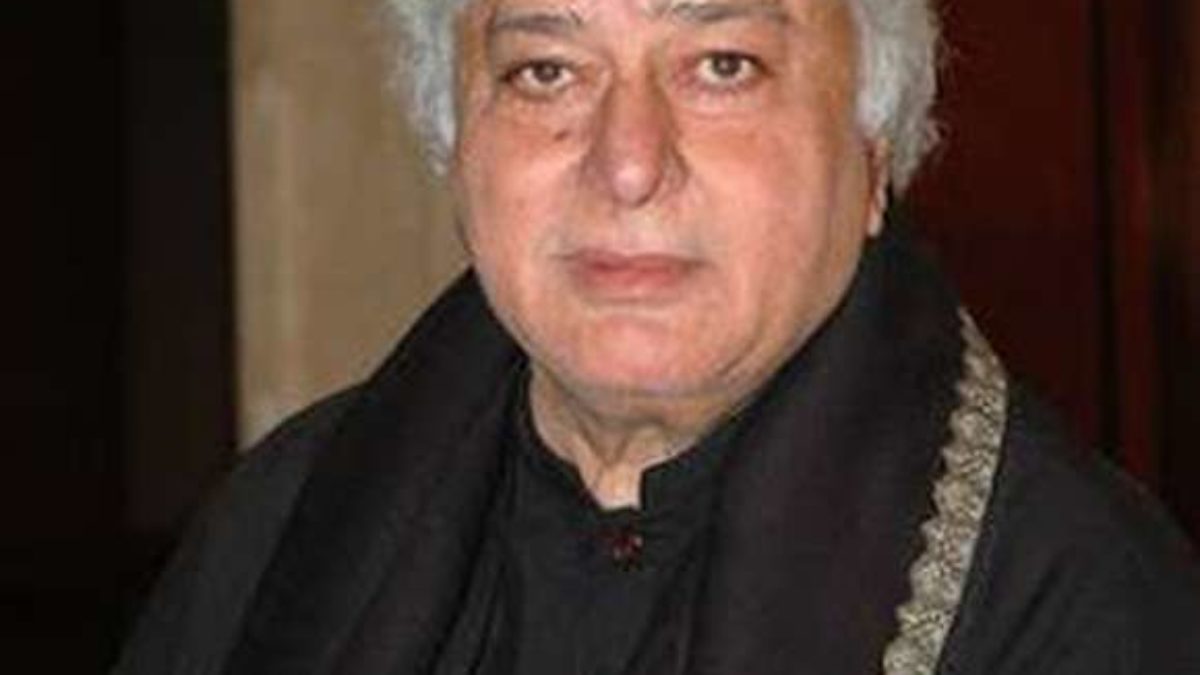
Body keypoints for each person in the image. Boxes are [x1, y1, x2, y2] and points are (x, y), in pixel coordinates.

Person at [114, 0, 1200, 673]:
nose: (629, 162)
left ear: (874, 149)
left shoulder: (1077, 591)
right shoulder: (282, 518)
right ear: (457, 147)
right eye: (545, 69)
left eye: (722, 64)